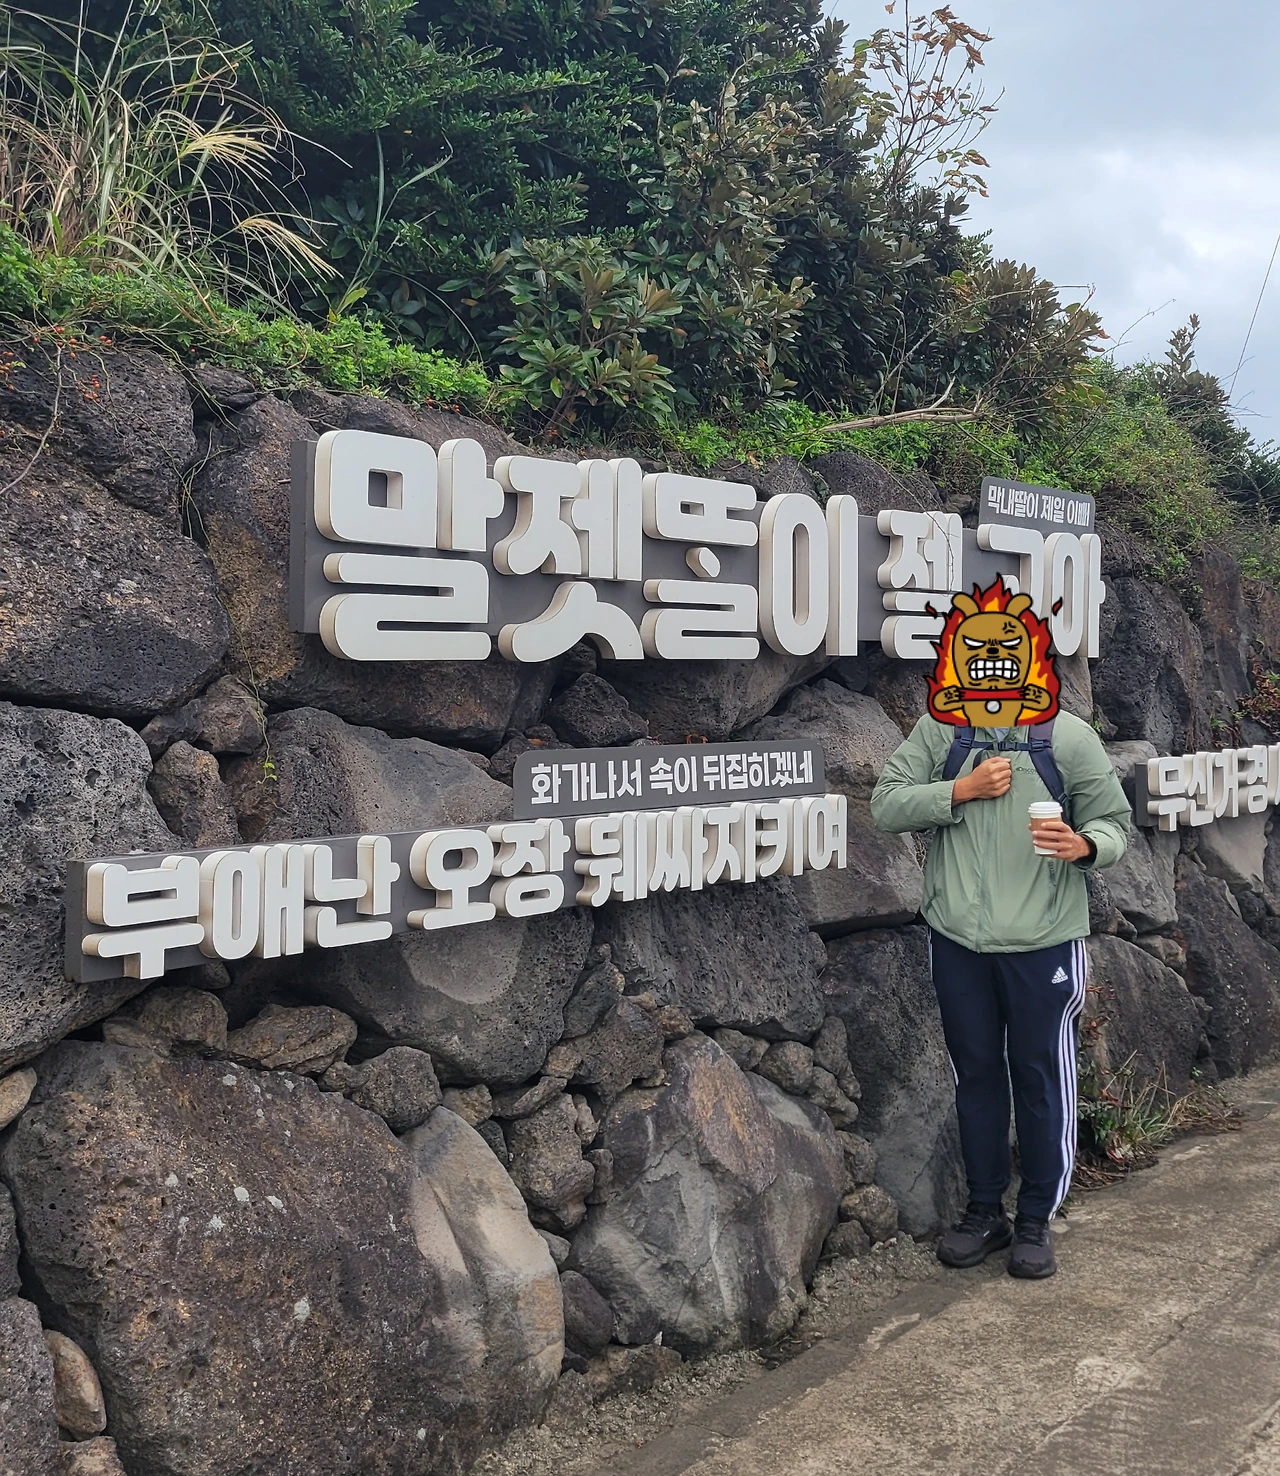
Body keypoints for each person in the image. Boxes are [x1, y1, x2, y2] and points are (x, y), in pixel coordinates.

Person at [870, 702, 1130, 1279]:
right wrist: (960, 790)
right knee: (977, 1076)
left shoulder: (1066, 738)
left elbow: (1116, 823)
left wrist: (1084, 845)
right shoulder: (943, 729)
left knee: (1040, 1076)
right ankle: (985, 1211)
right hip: (958, 942)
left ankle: (1036, 1217)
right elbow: (885, 804)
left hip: (1043, 943)